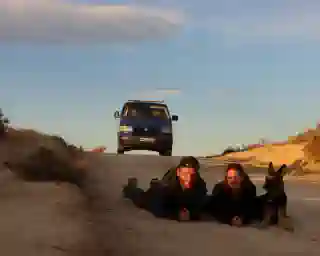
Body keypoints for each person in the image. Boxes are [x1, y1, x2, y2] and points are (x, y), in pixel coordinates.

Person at [122, 156, 207, 221]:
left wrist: (191, 214)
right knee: (141, 199)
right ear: (178, 172)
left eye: (192, 175)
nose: (188, 178)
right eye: (185, 174)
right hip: (159, 193)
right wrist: (176, 214)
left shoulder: (200, 186)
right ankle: (130, 188)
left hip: (177, 197)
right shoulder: (169, 185)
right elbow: (159, 209)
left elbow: (199, 206)